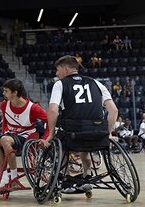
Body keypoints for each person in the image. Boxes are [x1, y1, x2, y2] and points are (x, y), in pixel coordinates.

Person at [42, 55, 118, 193]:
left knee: (62, 145)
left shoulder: (60, 84)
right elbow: (113, 110)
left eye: (57, 70)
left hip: (73, 132)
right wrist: (109, 132)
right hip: (97, 132)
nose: (56, 74)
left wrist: (51, 134)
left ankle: (65, 179)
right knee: (85, 146)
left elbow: (53, 110)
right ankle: (87, 175)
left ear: (65, 69)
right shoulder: (97, 83)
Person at [0, 79, 48, 187]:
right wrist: (4, 132)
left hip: (26, 137)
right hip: (10, 135)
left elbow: (49, 120)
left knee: (4, 140)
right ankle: (5, 175)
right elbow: (5, 121)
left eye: (6, 91)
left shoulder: (33, 108)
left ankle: (14, 177)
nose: (3, 93)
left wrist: (46, 138)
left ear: (15, 93)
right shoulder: (4, 105)